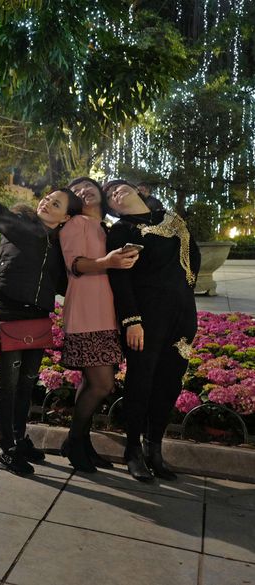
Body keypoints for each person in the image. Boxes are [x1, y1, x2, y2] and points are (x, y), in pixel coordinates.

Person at [0, 147, 83, 476]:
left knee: (27, 383)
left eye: (56, 204)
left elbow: (63, 284)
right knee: (8, 384)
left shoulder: (60, 246)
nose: (46, 203)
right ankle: (7, 449)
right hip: (9, 310)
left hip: (39, 315)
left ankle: (19, 437)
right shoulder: (19, 225)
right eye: (47, 198)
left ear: (66, 217)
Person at [103, 179, 200, 483]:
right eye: (110, 196)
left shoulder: (173, 221)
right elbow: (120, 279)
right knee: (141, 383)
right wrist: (131, 320)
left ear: (137, 191)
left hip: (182, 316)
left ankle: (154, 449)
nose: (116, 193)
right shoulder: (121, 231)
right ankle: (132, 450)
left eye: (120, 188)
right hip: (145, 320)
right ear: (112, 208)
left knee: (170, 382)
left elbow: (193, 259)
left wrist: (182, 295)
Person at [59, 177, 139, 472]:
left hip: (107, 314)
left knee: (91, 382)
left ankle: (83, 445)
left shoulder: (103, 228)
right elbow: (75, 265)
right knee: (102, 384)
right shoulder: (75, 224)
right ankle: (72, 441)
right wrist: (109, 262)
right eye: (76, 190)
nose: (83, 191)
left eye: (88, 186)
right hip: (86, 312)